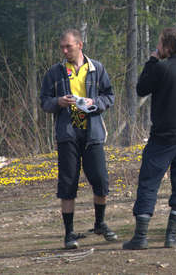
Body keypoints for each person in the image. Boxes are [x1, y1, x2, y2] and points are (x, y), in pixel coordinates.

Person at [123, 28, 176, 250]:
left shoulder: (160, 68)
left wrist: (152, 61)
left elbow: (141, 89)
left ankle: (141, 237)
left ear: (167, 47)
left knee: (149, 184)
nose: (157, 48)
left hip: (161, 138)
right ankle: (171, 237)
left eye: (160, 44)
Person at [40, 29, 117, 249]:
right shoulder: (54, 72)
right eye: (62, 47)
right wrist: (58, 102)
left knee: (100, 180)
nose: (65, 51)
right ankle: (69, 233)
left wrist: (95, 103)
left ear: (80, 45)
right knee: (68, 183)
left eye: (69, 47)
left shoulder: (97, 68)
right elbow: (44, 101)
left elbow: (109, 95)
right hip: (68, 134)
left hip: (93, 134)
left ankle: (100, 223)